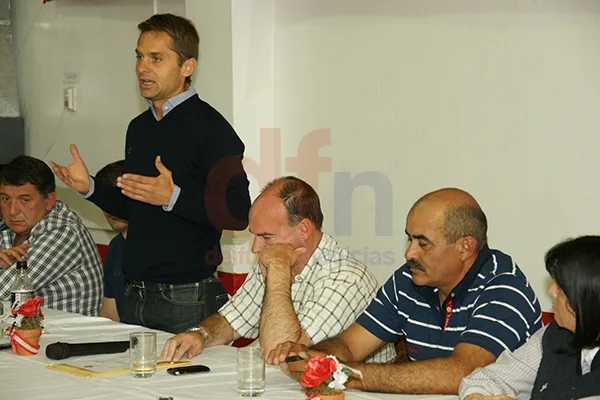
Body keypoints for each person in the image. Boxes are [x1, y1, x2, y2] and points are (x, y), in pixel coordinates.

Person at [50, 14, 251, 332]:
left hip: (185, 298)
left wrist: (173, 197)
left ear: (187, 67)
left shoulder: (211, 128)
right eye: (139, 56)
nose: (143, 67)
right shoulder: (139, 128)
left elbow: (239, 212)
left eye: (156, 58)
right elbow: (136, 205)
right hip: (134, 292)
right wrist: (89, 187)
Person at [269, 188, 543, 395]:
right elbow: (350, 344)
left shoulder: (503, 286)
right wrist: (315, 356)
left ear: (465, 248)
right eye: (410, 238)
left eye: (423, 243)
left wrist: (347, 374)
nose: (409, 252)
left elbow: (464, 371)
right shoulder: (410, 278)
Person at [161, 177, 395, 362]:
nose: (256, 248)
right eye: (255, 236)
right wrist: (200, 334)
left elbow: (284, 353)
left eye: (266, 237)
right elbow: (232, 320)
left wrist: (279, 271)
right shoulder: (274, 256)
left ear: (304, 229)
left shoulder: (346, 278)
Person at [459, 235, 600, 400]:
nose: (551, 291)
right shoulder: (554, 334)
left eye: (561, 287)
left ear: (585, 299)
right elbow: (486, 379)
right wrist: (477, 397)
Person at [0, 155, 103, 316]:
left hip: (64, 338)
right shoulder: (7, 227)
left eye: (24, 200)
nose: (13, 210)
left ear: (49, 201)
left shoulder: (64, 233)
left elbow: (4, 292)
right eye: (5, 199)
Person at [95, 160, 127, 322]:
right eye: (104, 200)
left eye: (115, 199)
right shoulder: (116, 246)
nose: (109, 209)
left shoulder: (170, 245)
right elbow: (109, 315)